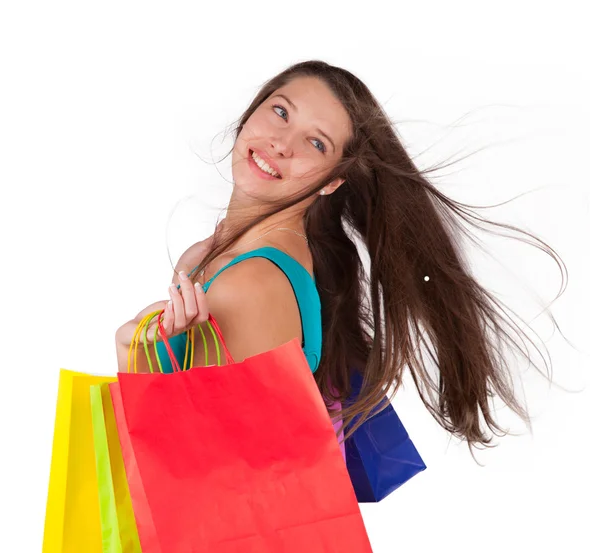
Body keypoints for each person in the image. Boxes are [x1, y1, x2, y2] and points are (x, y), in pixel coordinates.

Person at [114, 59, 565, 461]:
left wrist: (131, 350)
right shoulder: (207, 256)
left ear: (333, 182)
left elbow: (225, 467)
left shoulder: (251, 282)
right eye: (280, 111)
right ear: (250, 112)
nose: (281, 143)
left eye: (316, 142)